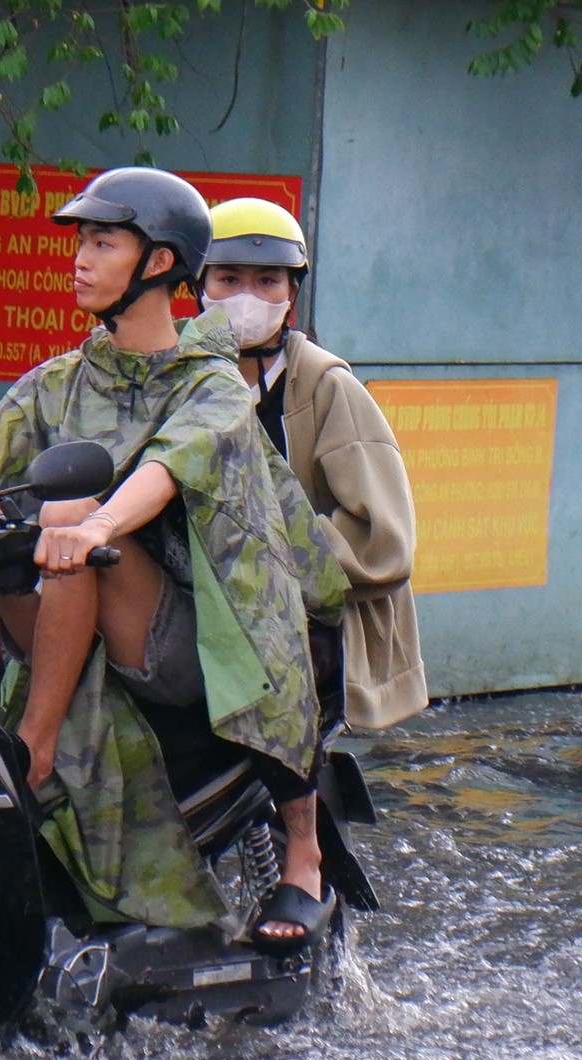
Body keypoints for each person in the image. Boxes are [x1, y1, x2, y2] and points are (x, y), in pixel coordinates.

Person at [0, 167, 349, 936]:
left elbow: (167, 465)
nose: (79, 258)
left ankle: (38, 751)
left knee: (71, 512)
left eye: (102, 241)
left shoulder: (210, 386)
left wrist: (95, 526)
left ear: (157, 263)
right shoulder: (58, 382)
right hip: (66, 612)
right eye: (80, 241)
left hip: (200, 642)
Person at [202, 196, 429, 944]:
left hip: (317, 617)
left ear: (293, 292)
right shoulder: (178, 371)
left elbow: (384, 537)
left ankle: (302, 857)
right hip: (198, 604)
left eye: (267, 281)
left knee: (274, 660)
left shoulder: (325, 387)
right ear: (196, 284)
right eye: (228, 276)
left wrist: (276, 556)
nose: (246, 297)